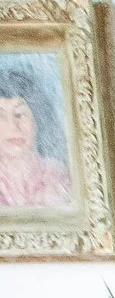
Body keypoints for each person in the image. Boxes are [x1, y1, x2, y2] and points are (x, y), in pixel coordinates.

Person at [0, 59, 75, 209]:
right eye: (1, 117)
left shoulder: (58, 177)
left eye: (19, 114)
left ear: (37, 119)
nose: (13, 126)